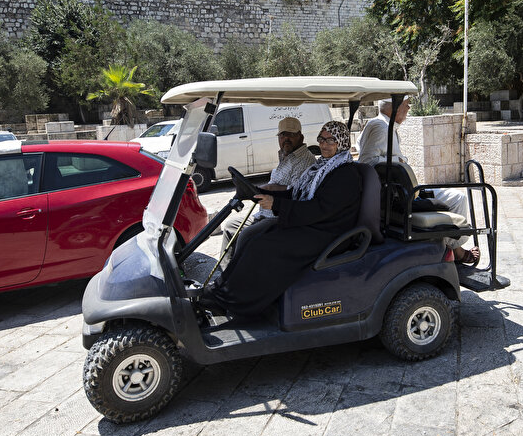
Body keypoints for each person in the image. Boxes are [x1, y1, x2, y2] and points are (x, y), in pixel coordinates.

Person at [201, 120, 362, 317]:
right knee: (252, 238)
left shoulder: (345, 173)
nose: (324, 144)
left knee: (262, 246)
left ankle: (239, 303)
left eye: (331, 140)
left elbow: (320, 209)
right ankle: (223, 291)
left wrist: (276, 205)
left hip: (329, 232)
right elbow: (297, 193)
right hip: (314, 224)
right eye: (321, 139)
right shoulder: (322, 167)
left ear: (343, 142)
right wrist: (262, 194)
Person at [357, 96, 479, 265]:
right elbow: (367, 162)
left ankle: (452, 249)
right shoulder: (381, 127)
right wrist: (398, 163)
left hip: (399, 190)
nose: (408, 109)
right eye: (406, 105)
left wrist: (397, 161)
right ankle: (455, 251)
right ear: (396, 107)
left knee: (452, 197)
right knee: (459, 199)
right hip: (398, 195)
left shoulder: (381, 125)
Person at [218, 116, 315, 260]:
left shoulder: (305, 160)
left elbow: (294, 192)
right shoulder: (287, 156)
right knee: (231, 226)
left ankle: (237, 275)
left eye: (291, 134)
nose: (286, 138)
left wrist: (266, 188)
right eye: (283, 135)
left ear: (300, 137)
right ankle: (224, 274)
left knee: (245, 235)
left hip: (279, 217)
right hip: (264, 214)